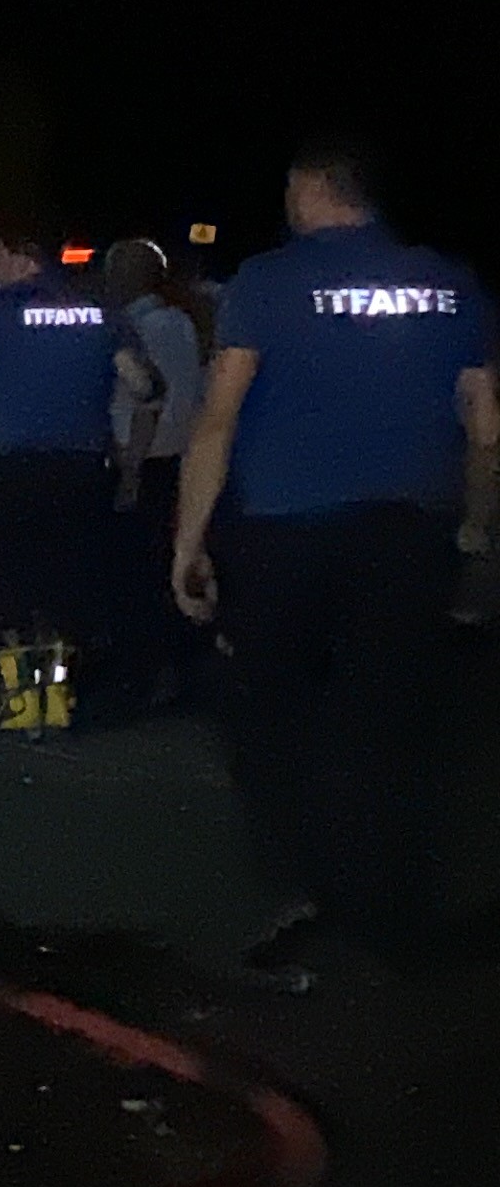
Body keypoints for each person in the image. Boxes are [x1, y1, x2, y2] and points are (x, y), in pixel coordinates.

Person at [171, 139, 500, 962]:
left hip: (286, 535)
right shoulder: (452, 283)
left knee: (272, 714)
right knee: (389, 721)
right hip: (409, 535)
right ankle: (388, 908)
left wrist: (189, 542)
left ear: (315, 192)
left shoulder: (269, 282)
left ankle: (301, 887)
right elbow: (485, 426)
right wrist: (475, 529)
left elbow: (218, 420)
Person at [0, 227, 158, 719]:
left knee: (10, 586)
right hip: (83, 471)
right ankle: (57, 701)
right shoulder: (99, 309)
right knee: (65, 588)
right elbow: (144, 384)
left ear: (19, 256)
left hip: (15, 471)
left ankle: (23, 703)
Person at [101, 237, 205, 698]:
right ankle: (182, 665)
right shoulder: (181, 322)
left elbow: (148, 403)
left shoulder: (139, 328)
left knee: (141, 572)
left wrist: (129, 473)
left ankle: (149, 672)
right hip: (180, 458)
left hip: (145, 460)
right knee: (172, 560)